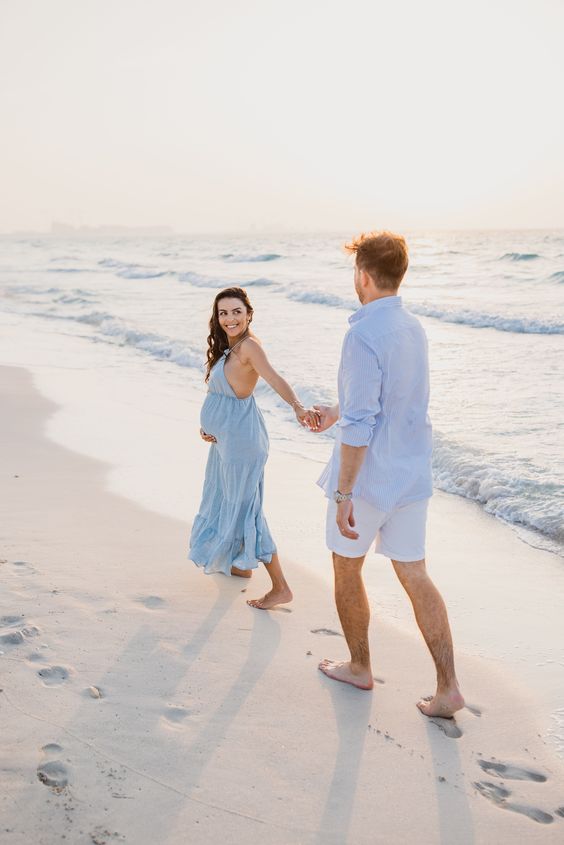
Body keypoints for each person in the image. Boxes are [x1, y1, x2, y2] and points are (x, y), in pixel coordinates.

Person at [313, 231, 465, 718]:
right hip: (412, 473)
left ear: (362, 275)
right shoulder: (413, 327)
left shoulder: (362, 333)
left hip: (370, 480)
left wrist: (343, 494)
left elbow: (363, 423)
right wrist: (336, 410)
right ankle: (448, 688)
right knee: (415, 574)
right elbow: (388, 399)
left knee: (345, 568)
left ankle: (359, 667)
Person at [189, 286, 317, 610]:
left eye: (236, 312)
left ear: (248, 314)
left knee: (248, 509)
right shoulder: (227, 349)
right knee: (230, 500)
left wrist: (298, 407)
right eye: (223, 313)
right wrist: (209, 427)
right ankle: (243, 565)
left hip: (243, 442)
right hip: (226, 441)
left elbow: (274, 378)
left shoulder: (249, 348)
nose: (229, 318)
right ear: (216, 319)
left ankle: (281, 587)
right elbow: (222, 397)